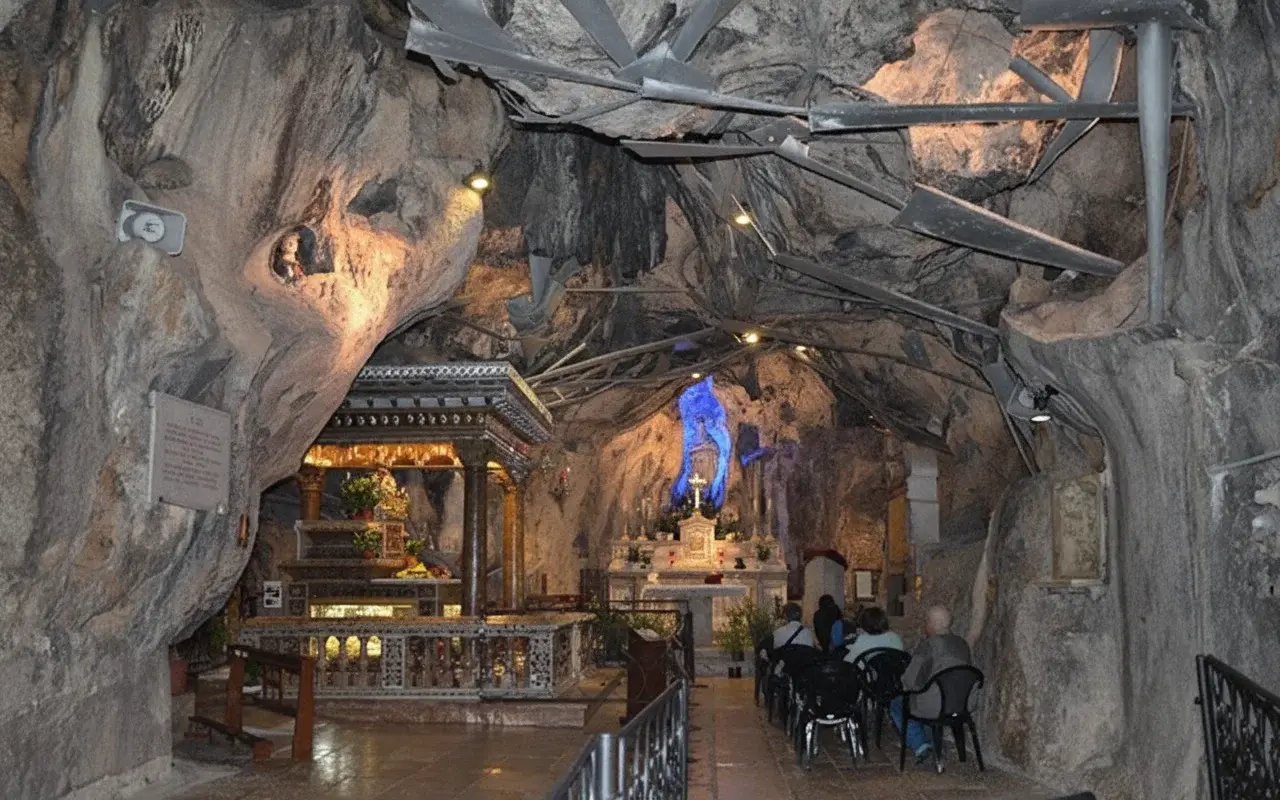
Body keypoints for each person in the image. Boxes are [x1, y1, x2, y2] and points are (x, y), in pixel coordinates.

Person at [890, 605, 973, 762]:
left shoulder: (928, 646)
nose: (925, 625)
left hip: (934, 705)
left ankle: (921, 746)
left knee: (897, 704)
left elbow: (909, 680)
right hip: (960, 704)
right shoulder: (962, 644)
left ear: (933, 624)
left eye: (927, 621)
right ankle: (933, 742)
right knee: (925, 696)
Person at [760, 602, 816, 674]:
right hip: (805, 674)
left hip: (785, 674)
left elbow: (765, 652)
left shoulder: (778, 633)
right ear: (801, 616)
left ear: (785, 616)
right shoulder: (809, 633)